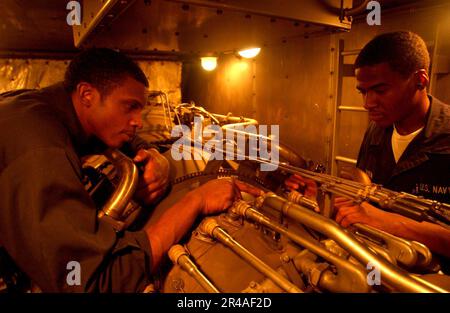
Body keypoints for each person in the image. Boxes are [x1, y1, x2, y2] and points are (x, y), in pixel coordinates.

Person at [0, 48, 242, 292]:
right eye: (130, 106)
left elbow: (116, 136)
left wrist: (154, 154)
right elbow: (97, 282)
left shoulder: (40, 106)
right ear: (87, 94)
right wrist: (196, 201)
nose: (138, 121)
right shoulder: (40, 149)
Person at [286, 31, 450, 261]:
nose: (368, 103)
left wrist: (389, 222)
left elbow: (376, 216)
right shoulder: (377, 131)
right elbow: (365, 200)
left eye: (380, 90)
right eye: (363, 92)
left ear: (420, 80)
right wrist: (322, 196)